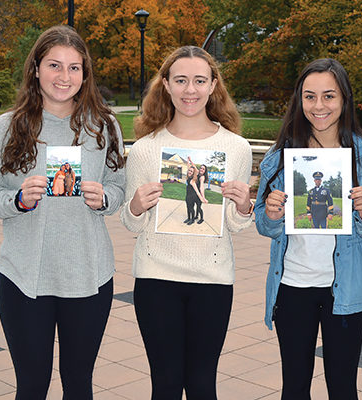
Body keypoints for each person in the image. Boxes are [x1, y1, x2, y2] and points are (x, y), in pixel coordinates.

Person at [0, 25, 125, 399]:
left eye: (75, 68)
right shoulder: (8, 127)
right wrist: (18, 201)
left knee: (79, 385)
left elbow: (119, 189)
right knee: (31, 386)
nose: (64, 77)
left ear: (85, 73)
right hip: (25, 277)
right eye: (55, 65)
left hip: (89, 277)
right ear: (36, 69)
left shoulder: (104, 126)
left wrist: (104, 198)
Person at [120, 45, 253, 400]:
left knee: (201, 385)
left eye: (199, 80)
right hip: (156, 279)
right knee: (164, 384)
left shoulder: (235, 148)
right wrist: (135, 207)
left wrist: (242, 207)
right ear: (165, 84)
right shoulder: (147, 149)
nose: (189, 90)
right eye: (180, 80)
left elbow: (236, 226)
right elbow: (131, 225)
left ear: (213, 86)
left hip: (212, 280)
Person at [254, 58, 362, 400]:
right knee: (295, 386)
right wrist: (271, 214)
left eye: (329, 96)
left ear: (344, 99)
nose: (319, 106)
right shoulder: (281, 155)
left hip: (346, 289)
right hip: (292, 285)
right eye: (310, 96)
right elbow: (262, 223)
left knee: (342, 388)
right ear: (299, 100)